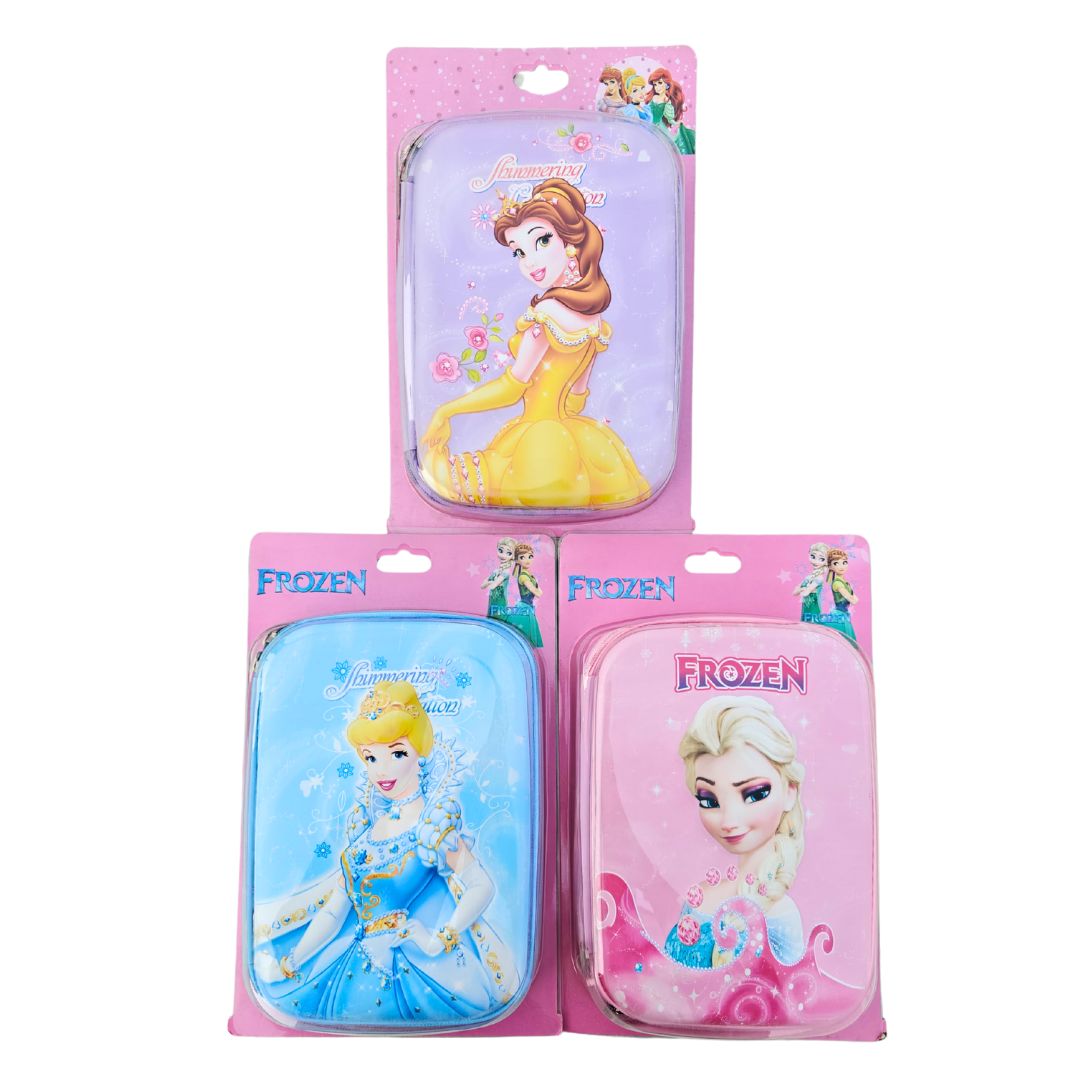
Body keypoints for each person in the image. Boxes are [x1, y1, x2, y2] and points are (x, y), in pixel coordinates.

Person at [251, 681, 519, 1025]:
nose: (381, 770)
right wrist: (290, 963)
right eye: (371, 757)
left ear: (419, 754)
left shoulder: (432, 827)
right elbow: (333, 913)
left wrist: (438, 939)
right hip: (350, 959)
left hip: (402, 962)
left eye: (397, 754)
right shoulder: (364, 835)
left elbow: (482, 886)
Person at [420, 179, 650, 509]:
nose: (529, 262)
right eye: (519, 251)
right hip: (576, 436)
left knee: (448, 476)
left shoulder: (545, 316)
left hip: (539, 440)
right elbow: (577, 399)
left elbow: (511, 388)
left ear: (570, 242)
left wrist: (448, 410)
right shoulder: (595, 321)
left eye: (542, 240)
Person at [664, 696, 807, 967]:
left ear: (789, 792)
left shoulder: (780, 914)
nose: (729, 820)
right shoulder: (701, 897)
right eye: (709, 801)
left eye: (754, 794)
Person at [793, 542, 830, 623]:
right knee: (805, 625)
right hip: (806, 606)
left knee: (812, 626)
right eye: (813, 557)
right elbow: (794, 592)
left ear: (826, 561)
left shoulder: (819, 578)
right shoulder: (808, 577)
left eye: (821, 559)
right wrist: (802, 589)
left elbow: (805, 593)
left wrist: (802, 589)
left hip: (814, 608)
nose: (816, 561)